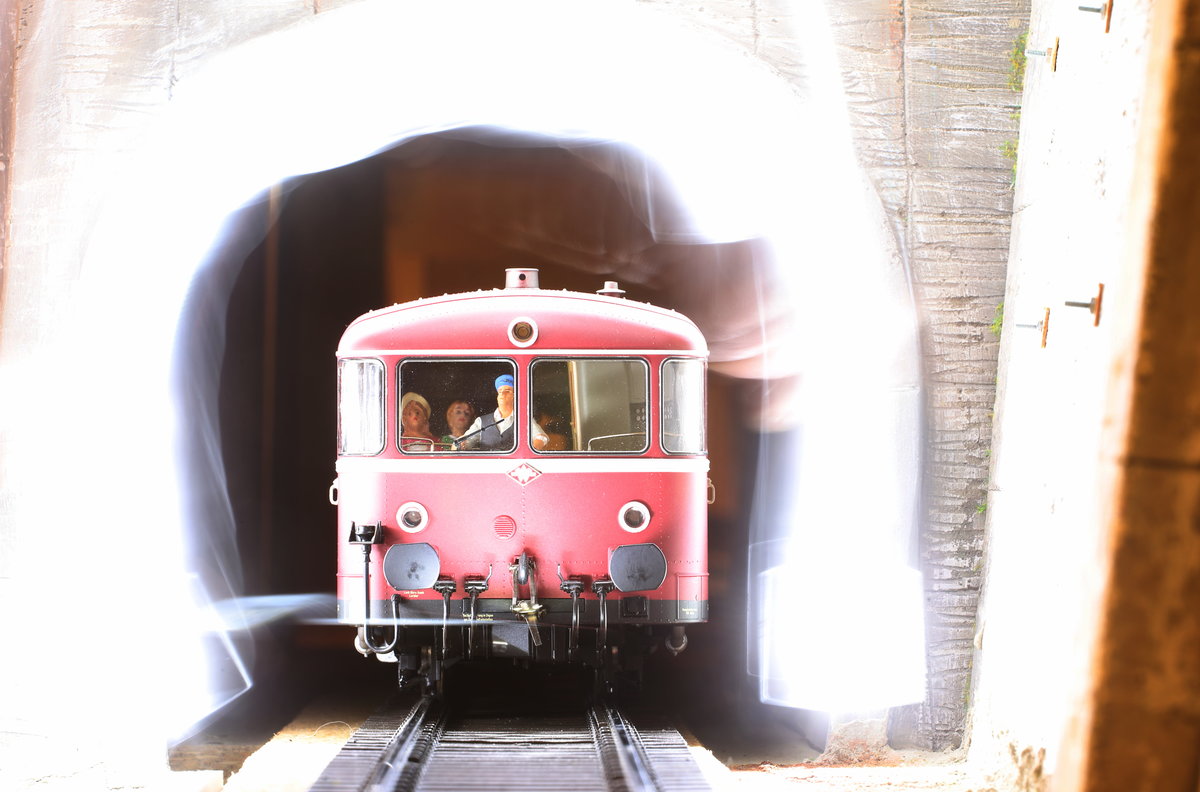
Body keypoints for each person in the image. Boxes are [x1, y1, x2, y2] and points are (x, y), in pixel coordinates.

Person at [458, 374, 548, 451]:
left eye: (507, 391)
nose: (502, 394)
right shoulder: (481, 421)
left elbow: (542, 438)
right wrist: (461, 444)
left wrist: (531, 450)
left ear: (515, 396)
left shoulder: (524, 419)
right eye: (500, 391)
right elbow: (466, 441)